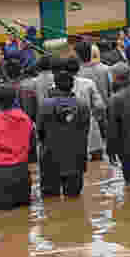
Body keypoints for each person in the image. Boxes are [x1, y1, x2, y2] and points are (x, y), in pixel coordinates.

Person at [0, 85, 35, 210]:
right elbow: (32, 145)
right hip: (22, 172)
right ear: (14, 99)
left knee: (3, 216)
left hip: (2, 174)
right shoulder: (26, 120)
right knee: (25, 214)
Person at [37, 70, 91, 199]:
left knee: (50, 203)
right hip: (75, 159)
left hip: (50, 159)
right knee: (74, 200)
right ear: (72, 85)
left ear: (55, 85)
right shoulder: (82, 105)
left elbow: (40, 131)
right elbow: (85, 131)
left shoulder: (45, 104)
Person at [106, 62, 130, 185]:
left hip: (127, 150)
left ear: (114, 77)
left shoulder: (115, 99)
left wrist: (111, 152)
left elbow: (112, 128)